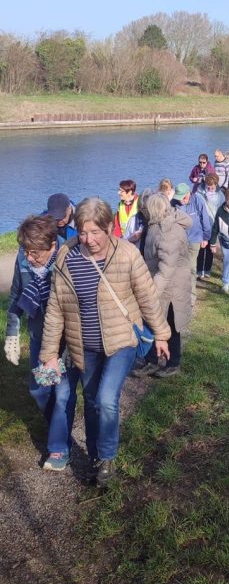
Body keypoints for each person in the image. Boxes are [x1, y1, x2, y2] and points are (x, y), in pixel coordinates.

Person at [39, 197, 171, 486]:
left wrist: (162, 334)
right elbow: (56, 308)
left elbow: (148, 297)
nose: (89, 240)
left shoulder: (126, 254)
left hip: (121, 341)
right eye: (83, 233)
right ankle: (96, 456)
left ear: (109, 227)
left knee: (107, 398)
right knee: (91, 402)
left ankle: (107, 459)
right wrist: (49, 354)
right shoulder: (66, 256)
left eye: (95, 232)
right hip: (84, 345)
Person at [4, 215, 80, 471]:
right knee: (40, 389)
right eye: (26, 251)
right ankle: (61, 427)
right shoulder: (24, 259)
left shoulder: (67, 259)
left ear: (52, 246)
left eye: (35, 253)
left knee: (63, 393)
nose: (29, 257)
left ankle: (59, 448)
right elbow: (16, 295)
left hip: (67, 338)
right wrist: (12, 333)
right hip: (40, 335)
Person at [143, 192, 192, 377]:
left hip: (171, 288)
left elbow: (166, 269)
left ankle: (172, 363)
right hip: (164, 284)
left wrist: (151, 293)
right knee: (155, 322)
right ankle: (152, 360)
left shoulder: (167, 232)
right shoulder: (158, 226)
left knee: (170, 324)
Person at [172, 183, 212, 304]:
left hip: (195, 239)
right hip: (179, 241)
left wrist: (206, 238)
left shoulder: (198, 200)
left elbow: (205, 219)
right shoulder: (173, 203)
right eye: (179, 198)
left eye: (183, 197)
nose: (181, 201)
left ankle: (191, 296)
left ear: (188, 193)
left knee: (191, 268)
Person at [196, 172, 225, 279]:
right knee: (201, 248)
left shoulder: (220, 195)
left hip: (213, 225)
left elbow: (222, 210)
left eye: (212, 187)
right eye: (208, 187)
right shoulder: (199, 193)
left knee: (210, 248)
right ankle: (199, 270)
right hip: (201, 225)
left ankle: (207, 270)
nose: (210, 189)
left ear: (216, 185)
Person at [113, 178, 143, 245]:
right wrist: (117, 241)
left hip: (138, 242)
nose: (118, 193)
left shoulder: (140, 203)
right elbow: (117, 225)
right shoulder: (120, 205)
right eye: (119, 190)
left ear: (129, 192)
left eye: (121, 191)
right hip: (123, 241)